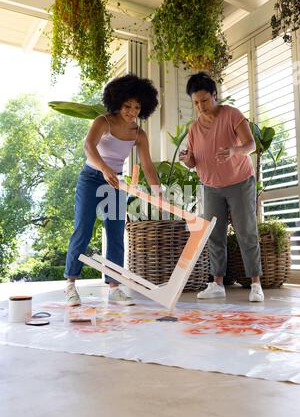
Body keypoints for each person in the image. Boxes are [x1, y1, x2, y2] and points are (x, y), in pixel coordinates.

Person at [64, 74, 161, 306]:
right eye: (127, 106)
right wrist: (104, 168)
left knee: (116, 233)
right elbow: (88, 146)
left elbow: (147, 165)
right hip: (91, 177)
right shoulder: (103, 121)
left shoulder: (139, 134)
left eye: (137, 107)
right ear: (117, 102)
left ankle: (115, 287)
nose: (132, 111)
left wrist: (158, 191)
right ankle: (70, 283)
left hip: (116, 182)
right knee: (83, 229)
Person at [179, 72, 264, 302]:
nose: (200, 106)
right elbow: (193, 161)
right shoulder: (194, 129)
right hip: (211, 187)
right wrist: (186, 159)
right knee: (214, 235)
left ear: (215, 96)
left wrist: (234, 151)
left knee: (246, 232)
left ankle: (256, 284)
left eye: (204, 100)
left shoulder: (231, 114)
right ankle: (217, 284)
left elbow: (250, 145)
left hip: (240, 182)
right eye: (196, 102)